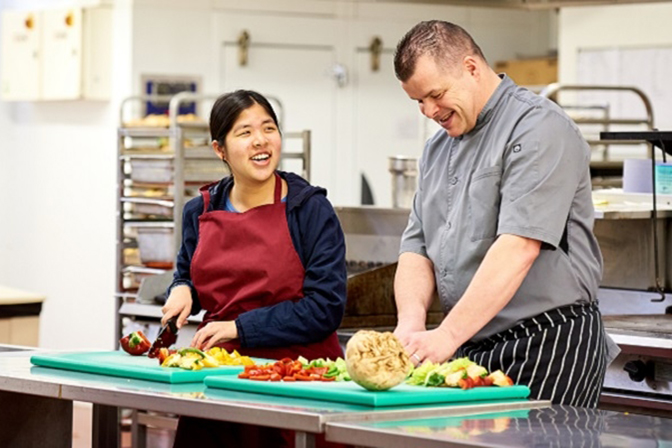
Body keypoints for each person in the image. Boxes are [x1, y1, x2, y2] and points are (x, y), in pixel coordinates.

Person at [392, 20, 612, 408]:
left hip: (547, 344)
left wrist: (446, 335)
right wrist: (410, 325)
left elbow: (519, 246)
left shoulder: (539, 128)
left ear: (471, 68)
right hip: (469, 346)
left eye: (435, 94)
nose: (428, 111)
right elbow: (416, 247)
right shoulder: (437, 150)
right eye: (417, 102)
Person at [162, 89, 347, 447]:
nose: (260, 141)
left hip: (299, 383)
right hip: (218, 383)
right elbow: (189, 278)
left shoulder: (309, 210)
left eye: (268, 128)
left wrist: (238, 328)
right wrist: (182, 288)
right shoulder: (198, 211)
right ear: (220, 150)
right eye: (244, 132)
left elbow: (326, 308)